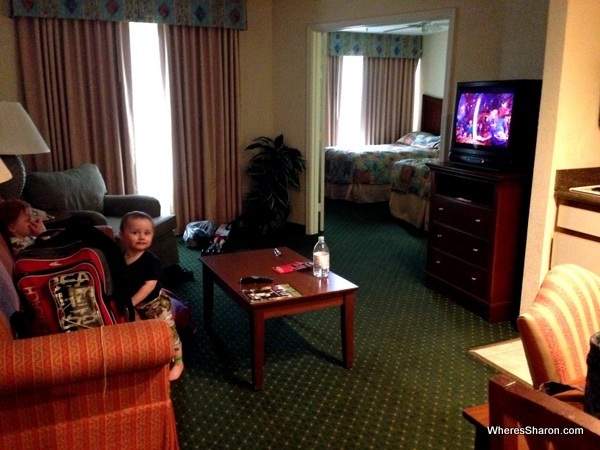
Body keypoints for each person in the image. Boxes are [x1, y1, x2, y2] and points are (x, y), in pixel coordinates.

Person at [120, 210, 184, 381]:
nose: (142, 237)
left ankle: (178, 363)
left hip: (155, 304)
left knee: (169, 333)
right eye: (135, 232)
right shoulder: (120, 260)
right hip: (133, 307)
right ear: (122, 236)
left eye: (147, 233)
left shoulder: (151, 261)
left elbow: (149, 286)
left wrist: (130, 302)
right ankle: (152, 359)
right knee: (142, 333)